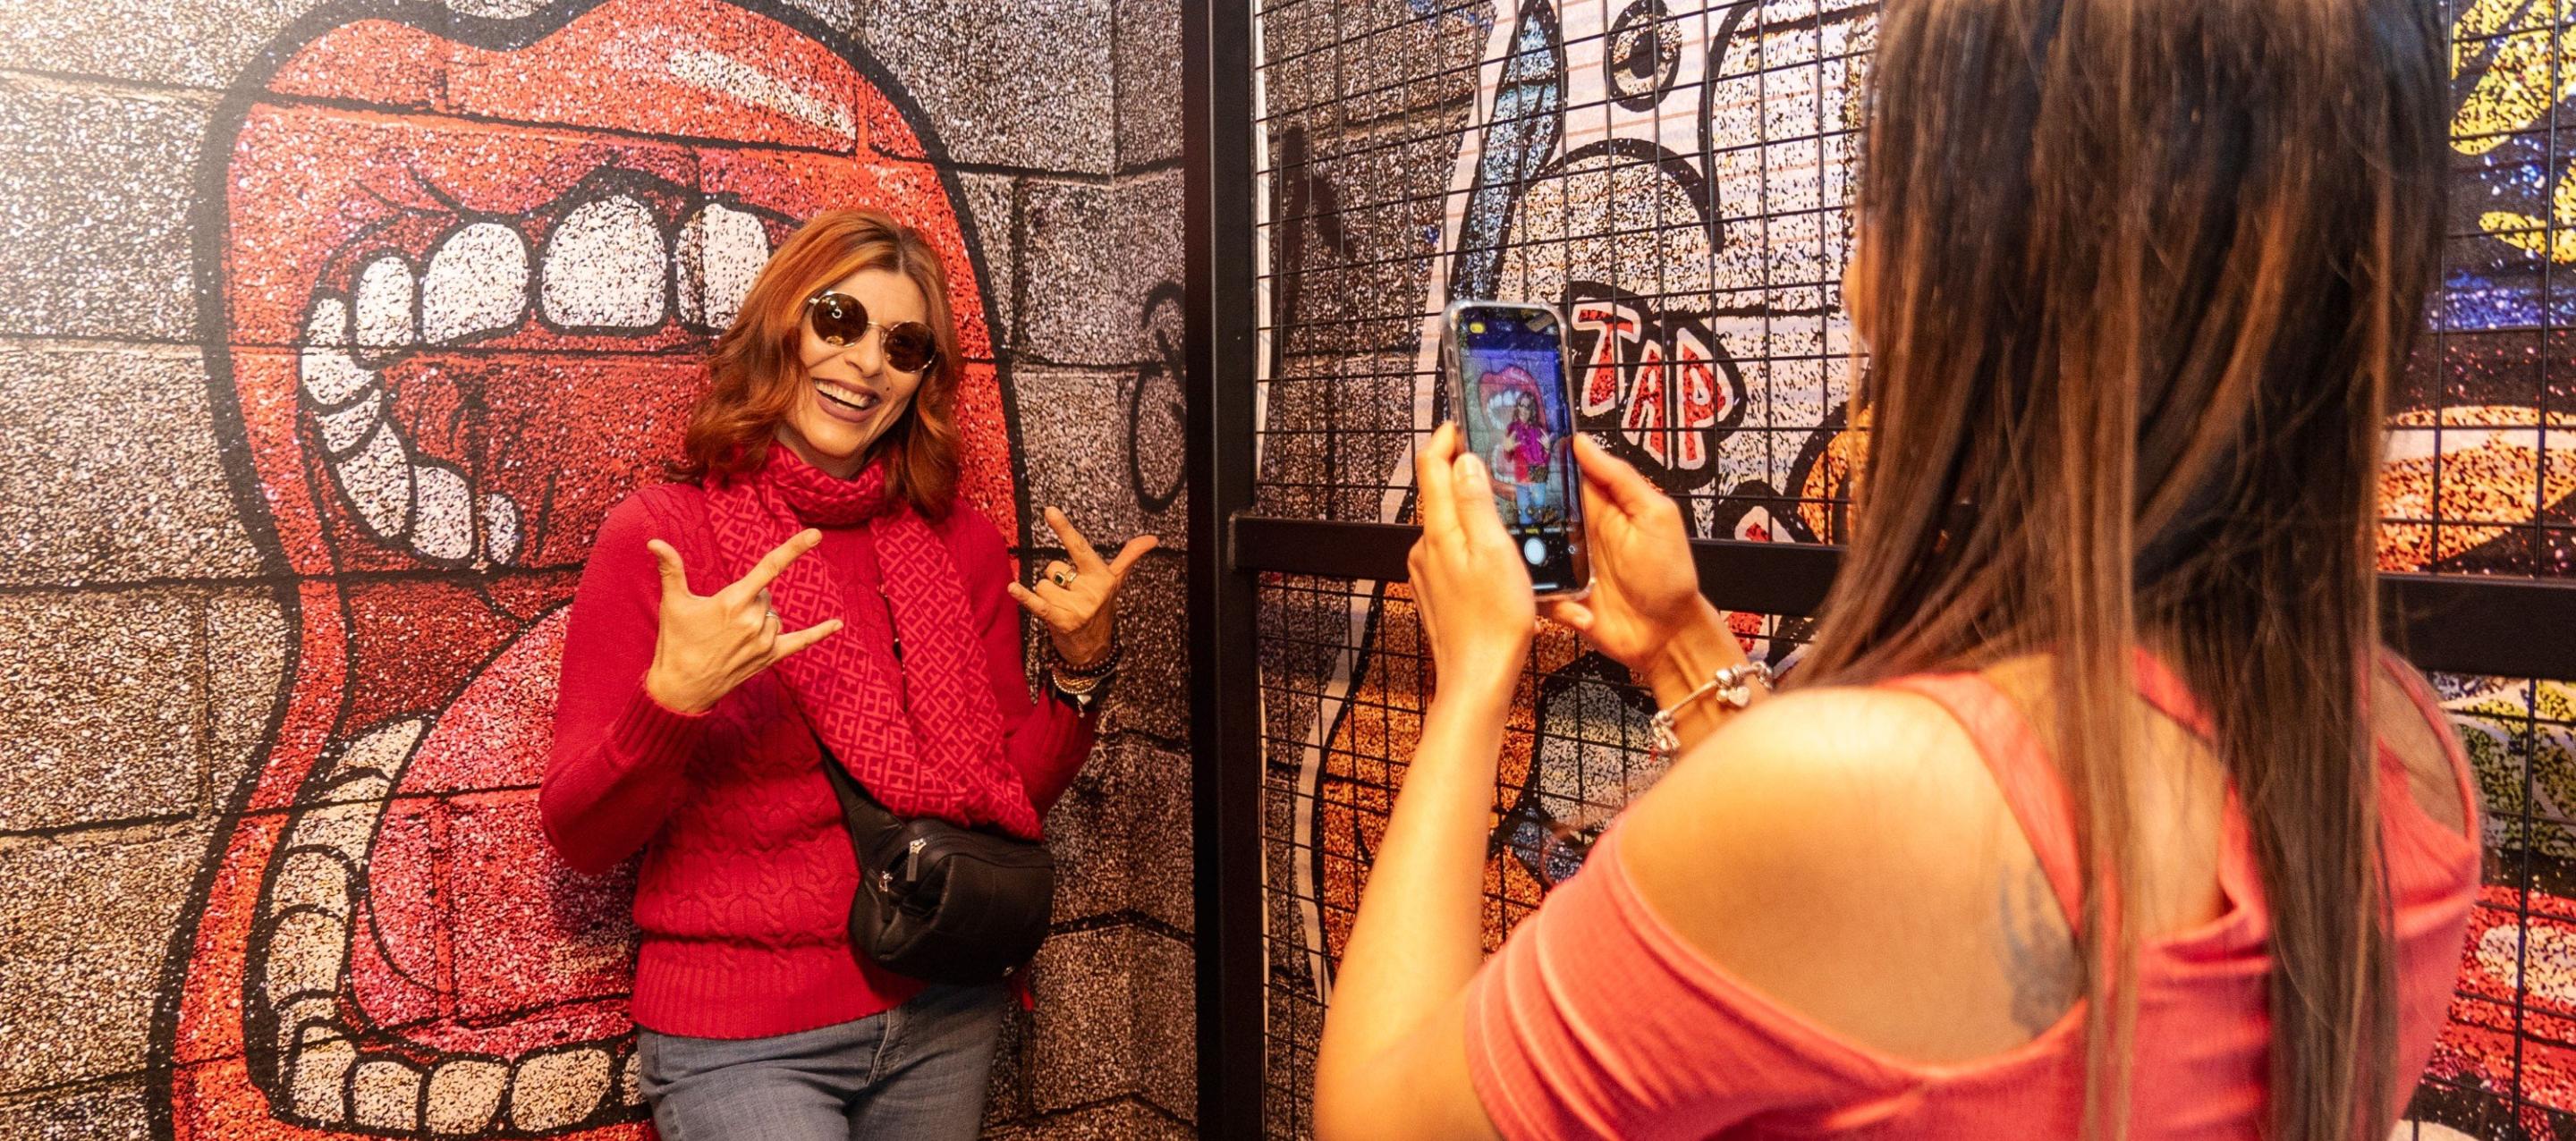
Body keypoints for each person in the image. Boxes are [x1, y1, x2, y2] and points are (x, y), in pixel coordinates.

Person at [1312, 1, 2477, 1138]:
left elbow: (1374, 1120)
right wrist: (1678, 642)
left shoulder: (1857, 797)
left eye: (1890, 186)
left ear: (1985, 256)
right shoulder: (2410, 763)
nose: (1859, 283)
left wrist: (1475, 677)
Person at [541, 207, 1153, 1140]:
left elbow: (1007, 795)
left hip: (943, 1000)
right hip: (741, 1035)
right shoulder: (664, 538)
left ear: (922, 379)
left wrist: (1081, 668)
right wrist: (674, 703)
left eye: (903, 345)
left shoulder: (960, 544)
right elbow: (582, 834)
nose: (867, 363)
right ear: (782, 325)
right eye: (839, 320)